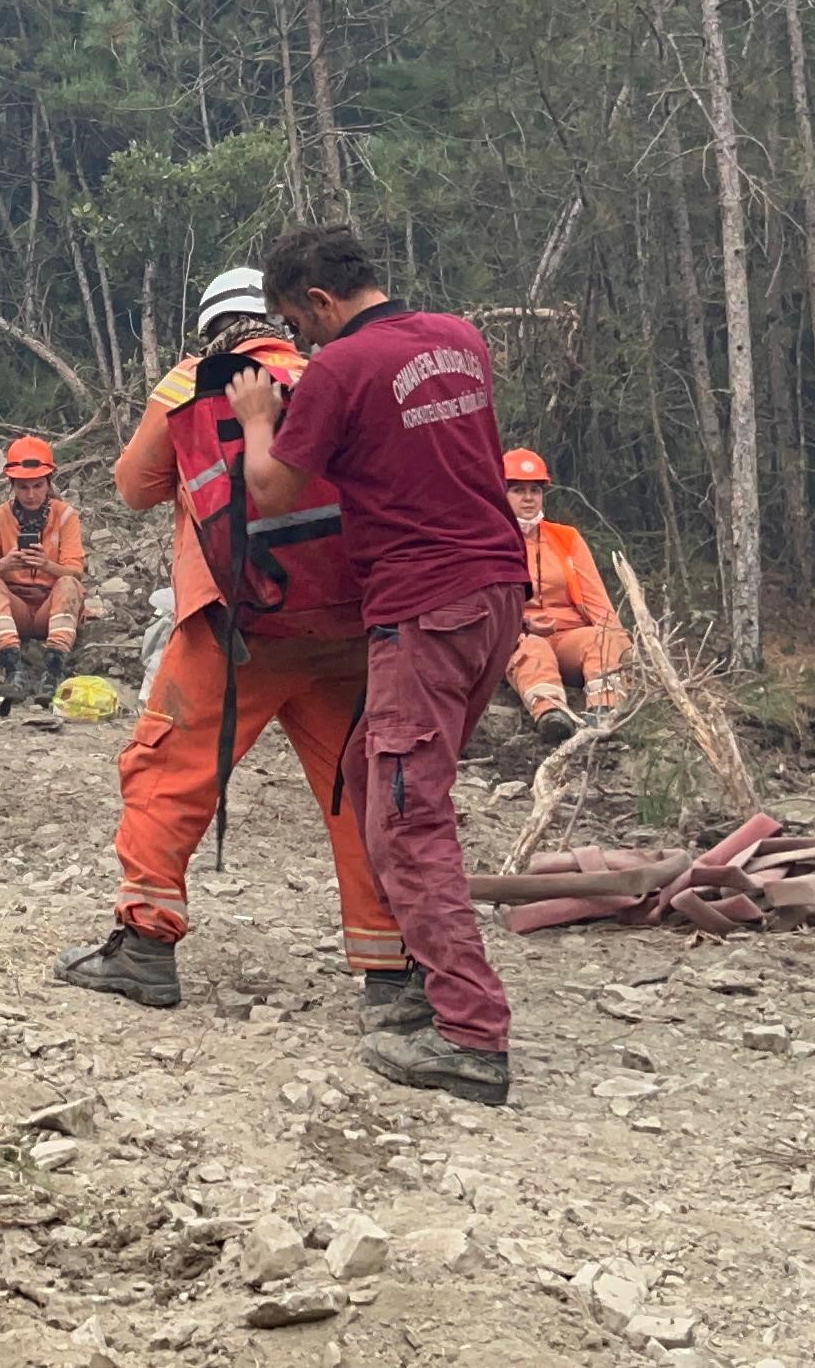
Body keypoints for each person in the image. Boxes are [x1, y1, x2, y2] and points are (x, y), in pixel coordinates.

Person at [52, 266, 413, 1026]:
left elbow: (134, 485)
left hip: (232, 622)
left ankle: (145, 945)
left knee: (166, 768)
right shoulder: (327, 370)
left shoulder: (193, 381)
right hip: (343, 623)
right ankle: (390, 968)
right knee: (358, 789)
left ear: (210, 325)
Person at [228, 227, 528, 1105]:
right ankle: (420, 984)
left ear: (318, 302)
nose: (303, 339)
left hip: (421, 607)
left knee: (407, 813)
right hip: (496, 590)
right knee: (371, 773)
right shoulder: (459, 339)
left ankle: (472, 1037)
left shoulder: (340, 369)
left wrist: (257, 422)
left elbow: (273, 490)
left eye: (299, 321)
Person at [502, 447, 630, 736]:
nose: (528, 498)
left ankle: (605, 711)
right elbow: (486, 605)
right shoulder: (487, 542)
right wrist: (523, 623)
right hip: (519, 637)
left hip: (569, 636)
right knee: (531, 647)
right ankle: (551, 715)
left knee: (602, 639)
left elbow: (597, 600)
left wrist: (618, 640)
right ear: (502, 494)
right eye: (518, 490)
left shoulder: (565, 538)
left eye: (535, 490)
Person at [0, 435, 87, 701]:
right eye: (23, 488)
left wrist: (47, 565)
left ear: (48, 484)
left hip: (50, 606)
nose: (31, 495)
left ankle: (54, 670)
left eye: (37, 486)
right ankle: (13, 667)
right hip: (16, 609)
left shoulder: (66, 516)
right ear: (12, 486)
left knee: (69, 584)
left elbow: (76, 572)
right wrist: (5, 563)